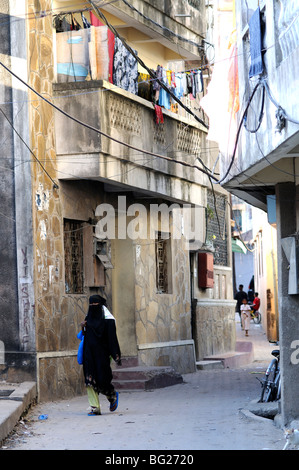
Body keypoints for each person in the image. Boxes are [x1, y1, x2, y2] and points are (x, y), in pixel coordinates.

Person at [81, 294, 121, 416]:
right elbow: (85, 335)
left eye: (95, 304)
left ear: (100, 305)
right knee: (89, 380)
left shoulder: (108, 320)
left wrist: (115, 354)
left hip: (102, 355)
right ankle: (95, 408)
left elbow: (112, 338)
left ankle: (112, 395)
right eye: (91, 304)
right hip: (89, 354)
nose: (93, 307)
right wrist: (83, 327)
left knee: (102, 379)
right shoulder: (88, 318)